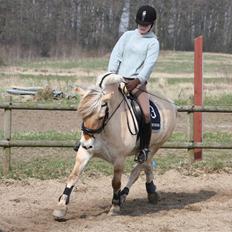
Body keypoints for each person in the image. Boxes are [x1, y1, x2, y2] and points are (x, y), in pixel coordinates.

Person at [107, 5, 160, 163]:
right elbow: (116, 55)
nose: (142, 27)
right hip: (118, 79)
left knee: (145, 113)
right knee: (98, 103)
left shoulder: (153, 42)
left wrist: (137, 81)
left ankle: (143, 149)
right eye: (140, 24)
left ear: (152, 24)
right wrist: (111, 75)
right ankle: (86, 139)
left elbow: (149, 65)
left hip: (137, 83)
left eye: (146, 25)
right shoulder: (127, 36)